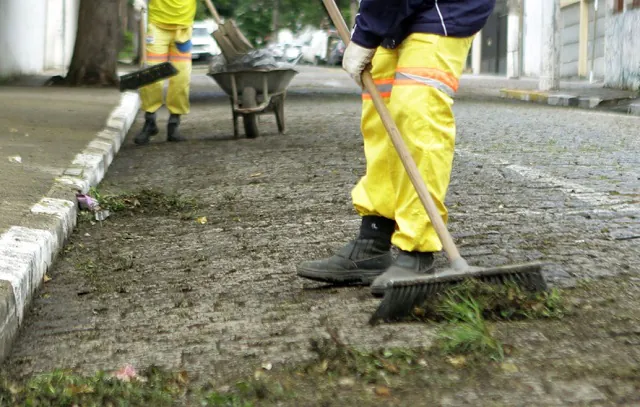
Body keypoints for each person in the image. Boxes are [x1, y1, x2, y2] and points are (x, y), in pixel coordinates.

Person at [297, 0, 496, 296]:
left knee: (416, 115)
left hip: (443, 9)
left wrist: (365, 34)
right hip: (395, 14)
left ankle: (417, 250)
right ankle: (372, 242)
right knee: (379, 119)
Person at [133, 0, 197, 145]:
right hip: (157, 26)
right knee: (151, 76)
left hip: (183, 28)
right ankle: (150, 122)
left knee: (181, 78)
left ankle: (174, 123)